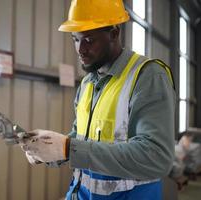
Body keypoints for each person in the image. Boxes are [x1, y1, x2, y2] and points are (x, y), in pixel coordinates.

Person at [21, 0, 176, 199]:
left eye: (88, 40)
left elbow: (156, 157)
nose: (80, 49)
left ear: (114, 33)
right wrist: (49, 150)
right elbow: (82, 139)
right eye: (75, 39)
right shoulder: (88, 83)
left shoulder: (148, 76)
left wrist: (68, 148)